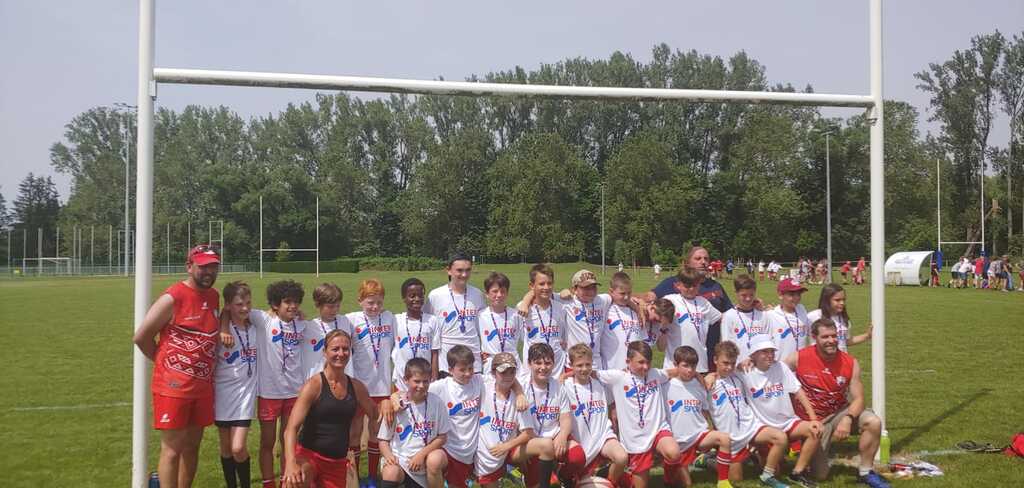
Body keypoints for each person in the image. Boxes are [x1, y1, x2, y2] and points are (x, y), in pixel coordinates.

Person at [133, 245, 221, 488]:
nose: (209, 272)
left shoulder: (214, 296)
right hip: (173, 389)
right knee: (172, 450)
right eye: (203, 266)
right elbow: (141, 337)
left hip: (202, 387)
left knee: (192, 447)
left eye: (213, 267)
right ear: (189, 266)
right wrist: (164, 362)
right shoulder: (172, 297)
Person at [782, 318, 889, 487]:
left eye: (834, 336)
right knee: (820, 474)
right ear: (814, 337)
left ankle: (865, 472)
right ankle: (809, 451)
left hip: (838, 413)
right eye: (825, 337)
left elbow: (859, 399)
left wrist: (848, 418)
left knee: (873, 422)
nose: (831, 340)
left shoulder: (850, 362)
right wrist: (752, 361)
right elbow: (774, 373)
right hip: (813, 422)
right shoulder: (799, 357)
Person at [281, 329, 376, 488]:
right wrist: (290, 463)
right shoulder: (314, 385)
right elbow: (291, 429)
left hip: (336, 462)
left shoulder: (356, 387)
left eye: (345, 349)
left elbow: (375, 414)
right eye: (335, 349)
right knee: (294, 480)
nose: (341, 353)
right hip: (310, 456)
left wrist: (388, 403)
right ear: (325, 352)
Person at [592, 341, 682, 488]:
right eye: (641, 362)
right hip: (636, 439)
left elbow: (675, 372)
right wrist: (566, 375)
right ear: (628, 361)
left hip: (658, 429)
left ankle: (669, 482)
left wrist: (700, 376)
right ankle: (615, 476)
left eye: (648, 362)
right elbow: (591, 372)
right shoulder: (618, 377)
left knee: (674, 452)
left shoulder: (655, 374)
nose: (645, 367)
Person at [736, 338, 822, 487]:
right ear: (754, 354)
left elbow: (798, 391)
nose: (770, 355)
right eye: (764, 352)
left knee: (815, 430)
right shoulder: (744, 372)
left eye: (772, 351)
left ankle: (797, 473)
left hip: (787, 422)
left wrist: (813, 419)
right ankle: (761, 460)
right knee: (775, 470)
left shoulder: (781, 366)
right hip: (763, 427)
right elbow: (723, 373)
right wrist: (711, 376)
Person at [704, 341, 790, 487]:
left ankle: (767, 475)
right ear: (715, 360)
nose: (729, 367)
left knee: (780, 438)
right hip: (732, 438)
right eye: (725, 363)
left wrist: (748, 360)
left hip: (751, 428)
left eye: (732, 363)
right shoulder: (708, 383)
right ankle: (708, 460)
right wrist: (710, 375)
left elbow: (753, 365)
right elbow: (703, 409)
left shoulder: (739, 375)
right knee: (736, 479)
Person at [251, 280, 310, 488]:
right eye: (287, 302)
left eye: (296, 302)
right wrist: (223, 328)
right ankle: (268, 483)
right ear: (276, 303)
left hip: (294, 392)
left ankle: (287, 481)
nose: (293, 306)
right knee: (267, 442)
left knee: (288, 441)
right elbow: (231, 309)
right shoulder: (264, 320)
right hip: (269, 393)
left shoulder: (302, 324)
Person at [644, 246, 734, 365]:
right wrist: (635, 302)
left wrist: (749, 308)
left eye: (706, 259)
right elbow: (650, 299)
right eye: (698, 258)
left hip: (705, 358)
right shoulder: (672, 289)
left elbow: (727, 315)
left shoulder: (709, 294)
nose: (703, 262)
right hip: (677, 361)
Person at [345, 278, 396, 484]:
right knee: (355, 433)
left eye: (379, 302)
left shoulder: (389, 318)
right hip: (358, 387)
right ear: (360, 300)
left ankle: (373, 477)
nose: (375, 307)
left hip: (382, 388)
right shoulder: (350, 320)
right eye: (370, 303)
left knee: (376, 433)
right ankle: (356, 476)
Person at [663, 345, 734, 488]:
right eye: (685, 366)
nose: (690, 370)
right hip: (678, 442)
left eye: (693, 366)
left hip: (698, 435)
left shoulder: (700, 385)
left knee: (724, 438)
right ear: (676, 364)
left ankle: (723, 483)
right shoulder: (665, 385)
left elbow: (704, 411)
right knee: (685, 484)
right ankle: (671, 470)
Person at [377, 358, 450, 488]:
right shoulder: (396, 405)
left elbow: (442, 437)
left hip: (425, 461)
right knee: (390, 471)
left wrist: (421, 455)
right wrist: (389, 456)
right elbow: (383, 440)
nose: (421, 386)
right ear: (406, 380)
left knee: (435, 459)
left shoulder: (437, 403)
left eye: (425, 381)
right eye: (416, 381)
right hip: (401, 463)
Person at [562, 344, 628, 485]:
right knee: (577, 470)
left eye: (588, 364)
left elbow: (619, 380)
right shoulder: (565, 387)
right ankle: (567, 477)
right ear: (571, 365)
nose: (584, 369)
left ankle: (609, 482)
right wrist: (564, 376)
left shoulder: (600, 384)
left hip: (603, 436)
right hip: (579, 439)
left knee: (622, 458)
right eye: (579, 365)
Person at [215, 281, 258, 488]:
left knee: (238, 448)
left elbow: (276, 315)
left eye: (248, 303)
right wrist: (223, 326)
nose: (245, 308)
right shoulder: (221, 331)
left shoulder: (256, 327)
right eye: (239, 304)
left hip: (245, 396)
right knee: (226, 448)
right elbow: (223, 314)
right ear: (228, 305)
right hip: (222, 394)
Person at [475, 352, 538, 488]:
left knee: (545, 446)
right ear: (493, 373)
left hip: (507, 449)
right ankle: (508, 474)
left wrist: (506, 446)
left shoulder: (520, 400)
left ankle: (535, 480)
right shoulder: (483, 385)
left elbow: (528, 433)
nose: (508, 376)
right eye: (503, 372)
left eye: (512, 372)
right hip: (484, 454)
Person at [519, 344, 578, 488]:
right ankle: (529, 474)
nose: (543, 367)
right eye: (538, 363)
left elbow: (565, 418)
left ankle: (564, 475)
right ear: (529, 364)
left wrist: (562, 435)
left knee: (577, 456)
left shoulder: (558, 387)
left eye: (547, 363)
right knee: (537, 483)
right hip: (531, 440)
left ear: (553, 364)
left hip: (554, 437)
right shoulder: (520, 387)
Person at [423, 253, 485, 375]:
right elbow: (427, 327)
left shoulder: (477, 294)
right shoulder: (436, 295)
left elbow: (483, 326)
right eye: (459, 270)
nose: (464, 275)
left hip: (473, 362)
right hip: (447, 364)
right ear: (449, 270)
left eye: (468, 270)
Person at [661, 266, 722, 373]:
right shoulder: (670, 300)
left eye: (695, 285)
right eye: (687, 286)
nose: (691, 289)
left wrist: (744, 310)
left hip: (699, 365)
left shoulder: (704, 303)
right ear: (678, 285)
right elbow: (652, 309)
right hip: (675, 365)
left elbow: (722, 318)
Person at [517, 264, 568, 376]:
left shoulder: (561, 308)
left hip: (557, 371)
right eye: (541, 284)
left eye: (549, 283)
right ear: (531, 285)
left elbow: (564, 338)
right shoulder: (523, 309)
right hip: (532, 372)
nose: (546, 287)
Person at [392, 278, 441, 389]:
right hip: (401, 382)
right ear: (404, 298)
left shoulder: (432, 320)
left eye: (420, 295)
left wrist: (434, 378)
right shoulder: (395, 320)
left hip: (424, 381)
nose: (417, 299)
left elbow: (434, 353)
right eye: (412, 296)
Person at [601, 272, 655, 370]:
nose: (626, 297)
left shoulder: (637, 313)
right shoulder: (605, 309)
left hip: (634, 371)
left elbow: (643, 341)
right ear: (611, 291)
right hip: (611, 369)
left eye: (629, 293)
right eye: (622, 293)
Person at [561, 269, 613, 369]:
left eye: (594, 287)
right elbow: (538, 293)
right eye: (586, 288)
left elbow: (621, 296)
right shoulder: (568, 301)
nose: (591, 291)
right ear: (574, 289)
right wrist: (563, 292)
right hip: (574, 364)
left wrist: (638, 305)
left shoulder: (602, 300)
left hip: (596, 364)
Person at [305, 283, 354, 380]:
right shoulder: (307, 327)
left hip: (345, 380)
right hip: (318, 381)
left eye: (338, 306)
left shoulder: (346, 321)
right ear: (318, 304)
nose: (335, 310)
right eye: (331, 307)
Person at [478, 272, 523, 372]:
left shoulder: (516, 315)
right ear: (487, 294)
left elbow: (526, 340)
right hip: (491, 364)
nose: (499, 295)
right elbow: (472, 338)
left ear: (507, 293)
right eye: (495, 291)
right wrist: (478, 354)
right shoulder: (480, 316)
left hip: (513, 363)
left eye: (502, 291)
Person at [806, 284, 871, 352]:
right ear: (826, 300)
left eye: (843, 300)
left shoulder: (844, 319)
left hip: (840, 358)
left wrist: (867, 335)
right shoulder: (813, 316)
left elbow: (846, 341)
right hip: (820, 357)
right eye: (837, 300)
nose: (842, 303)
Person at [719, 274, 770, 362]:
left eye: (751, 295)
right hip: (738, 365)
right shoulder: (729, 316)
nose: (748, 298)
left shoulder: (762, 315)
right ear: (736, 293)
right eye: (744, 295)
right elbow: (726, 346)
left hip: (759, 365)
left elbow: (767, 342)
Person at [766, 278, 811, 361]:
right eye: (791, 294)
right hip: (781, 364)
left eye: (798, 294)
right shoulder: (771, 315)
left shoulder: (802, 309)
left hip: (801, 363)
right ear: (780, 295)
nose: (796, 298)